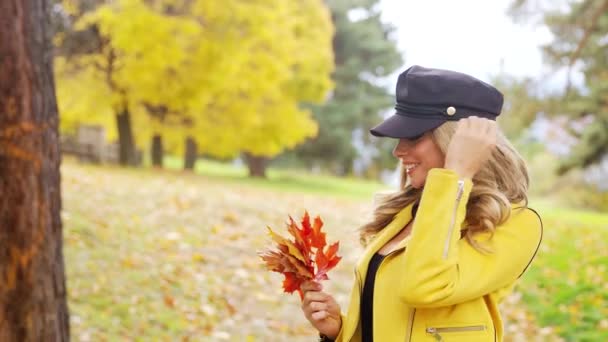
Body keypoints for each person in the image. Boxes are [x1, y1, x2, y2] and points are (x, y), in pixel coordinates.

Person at [299, 65, 543, 342]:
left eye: (414, 136)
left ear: (457, 140)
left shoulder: (514, 223)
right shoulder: (406, 214)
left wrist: (457, 175)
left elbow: (424, 286)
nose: (398, 150)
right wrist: (340, 331)